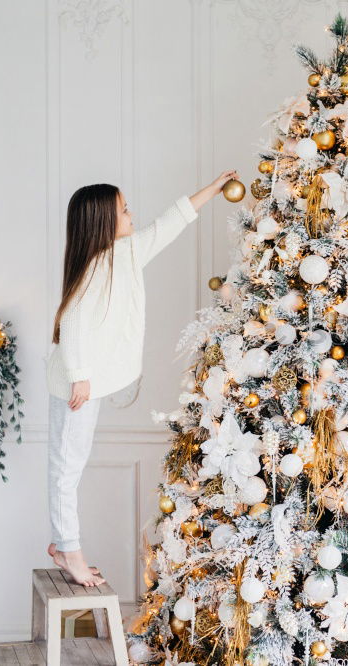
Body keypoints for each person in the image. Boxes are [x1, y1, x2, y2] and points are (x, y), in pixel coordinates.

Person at [46, 171, 238, 586]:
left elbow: (172, 221)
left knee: (70, 466)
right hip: (74, 386)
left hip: (84, 383)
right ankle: (70, 551)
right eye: (125, 210)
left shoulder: (125, 254)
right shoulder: (97, 266)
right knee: (66, 469)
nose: (132, 215)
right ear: (103, 221)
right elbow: (73, 320)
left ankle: (66, 546)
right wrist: (80, 377)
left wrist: (213, 187)